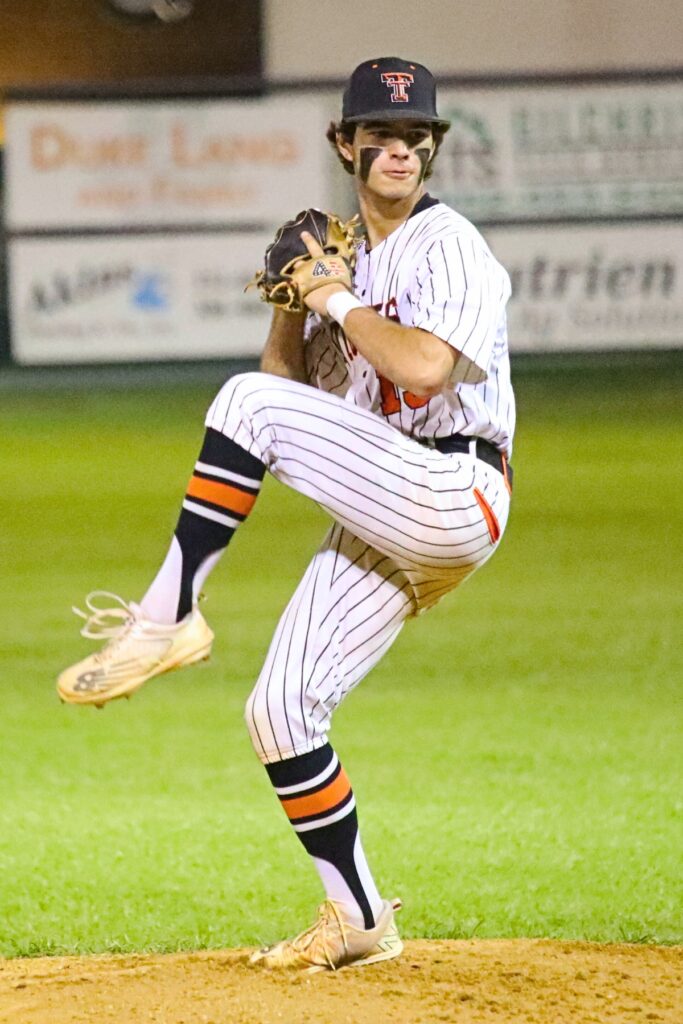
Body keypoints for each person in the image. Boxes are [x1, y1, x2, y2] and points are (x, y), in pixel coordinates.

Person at [57, 56, 515, 972]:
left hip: (454, 490)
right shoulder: (353, 258)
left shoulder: (447, 244)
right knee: (279, 710)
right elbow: (282, 399)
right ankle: (358, 919)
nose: (399, 150)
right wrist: (288, 307)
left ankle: (165, 618)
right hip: (388, 505)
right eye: (379, 135)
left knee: (240, 406)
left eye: (415, 137)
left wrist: (330, 296)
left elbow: (423, 369)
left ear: (432, 149)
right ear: (343, 144)